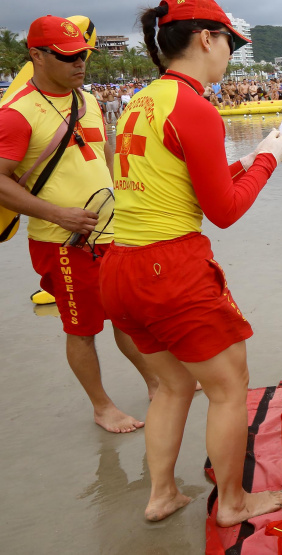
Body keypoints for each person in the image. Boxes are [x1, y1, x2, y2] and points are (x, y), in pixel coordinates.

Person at [99, 0, 282, 525]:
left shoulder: (143, 99)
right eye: (230, 42)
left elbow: (174, 183)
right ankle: (232, 502)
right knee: (229, 388)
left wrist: (246, 161)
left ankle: (161, 494)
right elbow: (223, 211)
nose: (231, 54)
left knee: (173, 384)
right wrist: (271, 158)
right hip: (171, 271)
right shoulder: (196, 107)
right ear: (207, 39)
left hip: (121, 266)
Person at [0, 15, 157, 433]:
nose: (79, 64)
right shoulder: (16, 114)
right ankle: (102, 406)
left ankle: (156, 382)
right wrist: (56, 213)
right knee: (83, 327)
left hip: (111, 232)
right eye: (67, 57)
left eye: (82, 55)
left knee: (127, 315)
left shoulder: (86, 101)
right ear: (36, 55)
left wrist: (125, 203)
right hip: (63, 240)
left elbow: (105, 157)